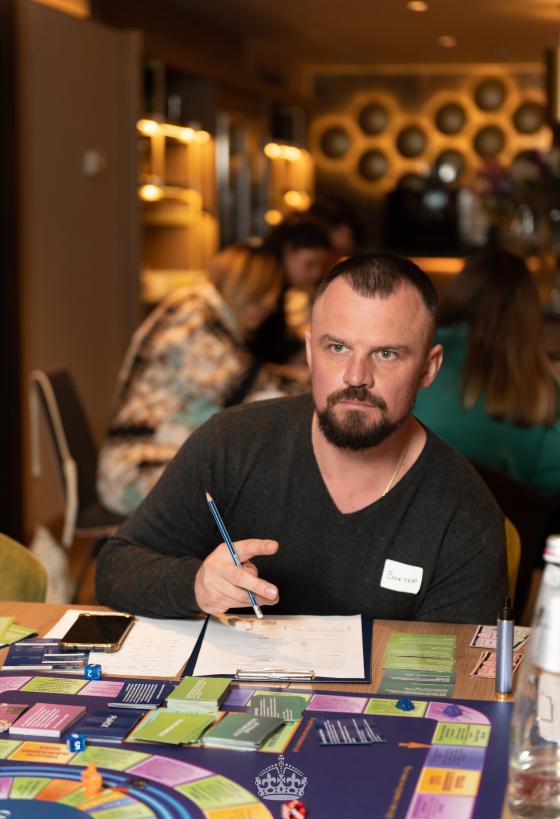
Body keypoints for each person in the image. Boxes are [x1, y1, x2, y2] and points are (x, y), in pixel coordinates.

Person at [96, 253, 507, 624]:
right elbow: (117, 567)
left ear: (428, 368)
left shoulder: (463, 511)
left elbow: (457, 675)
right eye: (337, 348)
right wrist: (196, 584)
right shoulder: (232, 443)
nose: (356, 377)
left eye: (386, 354)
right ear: (311, 352)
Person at [97, 243, 288, 516]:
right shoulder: (194, 316)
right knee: (258, 488)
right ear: (242, 285)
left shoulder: (199, 310)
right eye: (262, 295)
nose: (270, 304)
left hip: (143, 458)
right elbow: (253, 389)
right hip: (137, 469)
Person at [414, 250, 560, 498]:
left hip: (407, 511)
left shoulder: (413, 356)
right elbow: (552, 488)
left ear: (460, 292)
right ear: (530, 314)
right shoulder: (546, 392)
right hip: (508, 520)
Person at [247, 215, 331, 364]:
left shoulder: (280, 288)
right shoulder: (264, 288)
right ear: (288, 252)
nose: (317, 274)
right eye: (310, 264)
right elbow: (263, 355)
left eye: (320, 266)